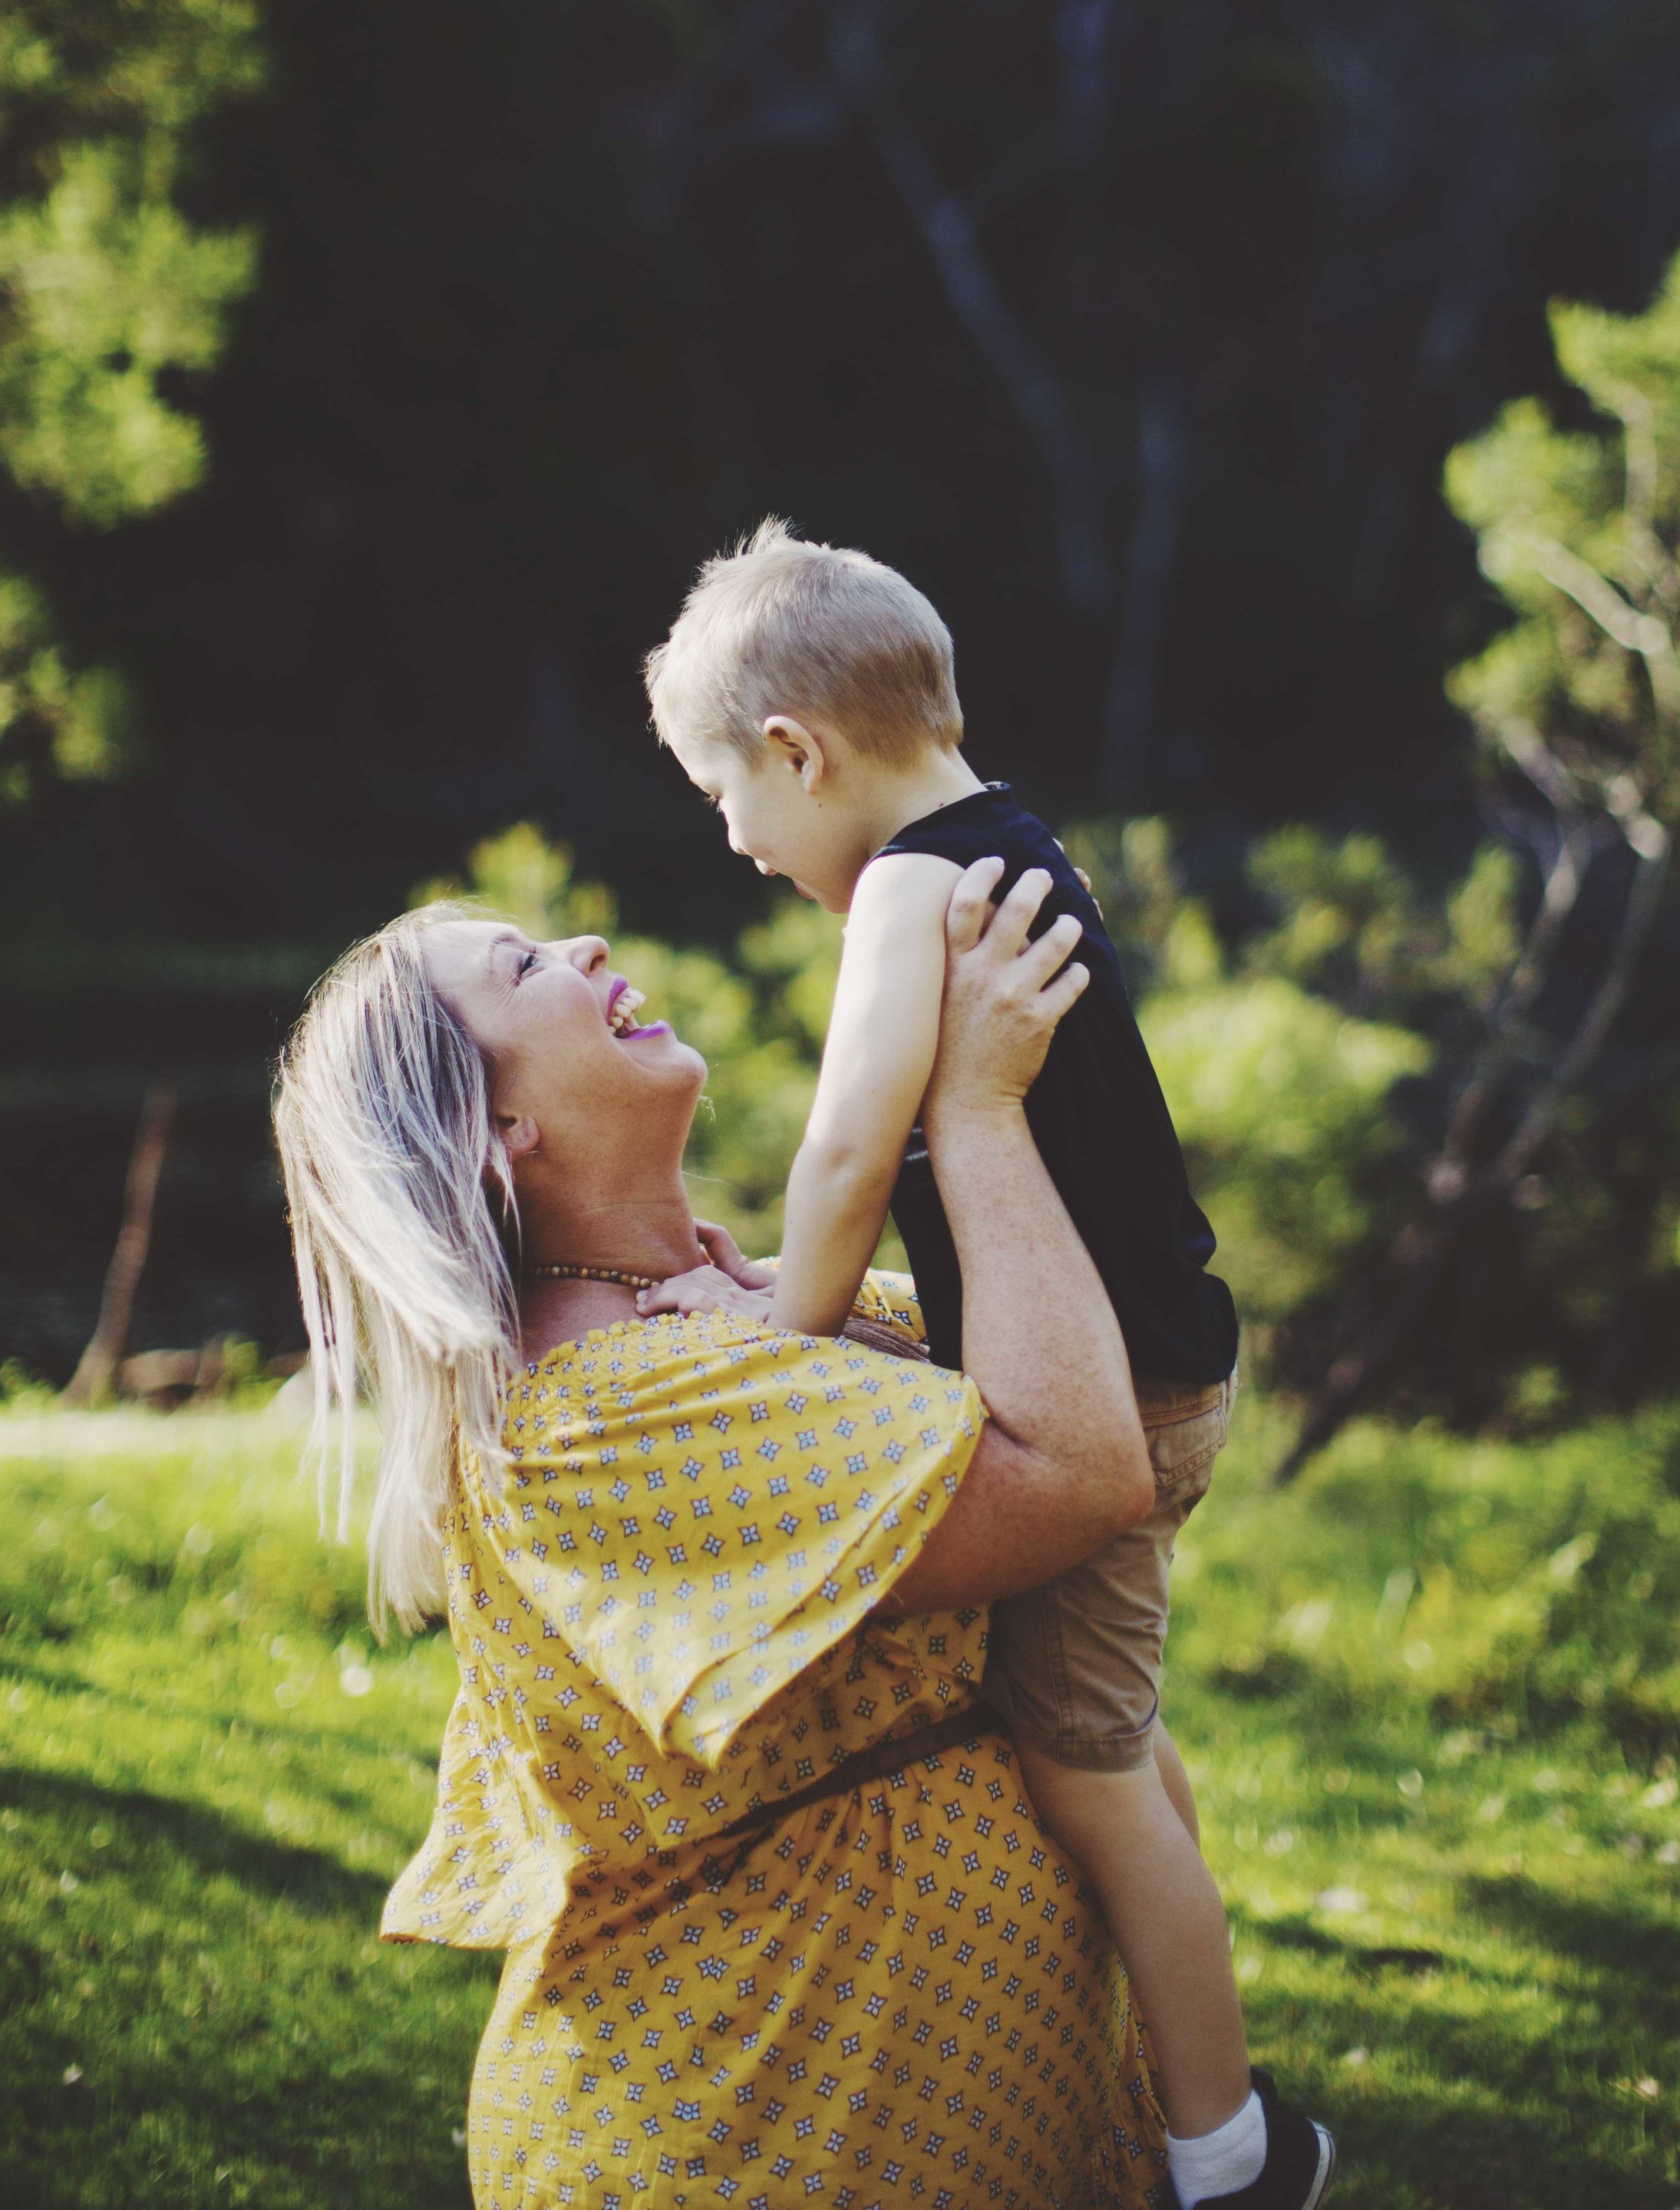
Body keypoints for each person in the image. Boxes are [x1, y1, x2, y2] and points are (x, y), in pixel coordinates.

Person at [272, 859, 1271, 2208]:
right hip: (755, 2130)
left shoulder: (733, 1313)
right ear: (496, 1127)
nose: (584, 937)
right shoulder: (594, 1415)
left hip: (931, 2105)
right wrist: (969, 1107)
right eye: (522, 968)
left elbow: (1093, 1369)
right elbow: (1086, 1471)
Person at [644, 524, 1332, 2210]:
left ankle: (1230, 2159)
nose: (734, 844)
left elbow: (842, 1151)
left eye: (725, 799)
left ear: (795, 752)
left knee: (1083, 1777)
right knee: (1117, 1735)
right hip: (1165, 1365)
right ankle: (1197, 2101)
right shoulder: (1018, 847)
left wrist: (777, 1327)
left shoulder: (906, 888)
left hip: (1123, 1401)